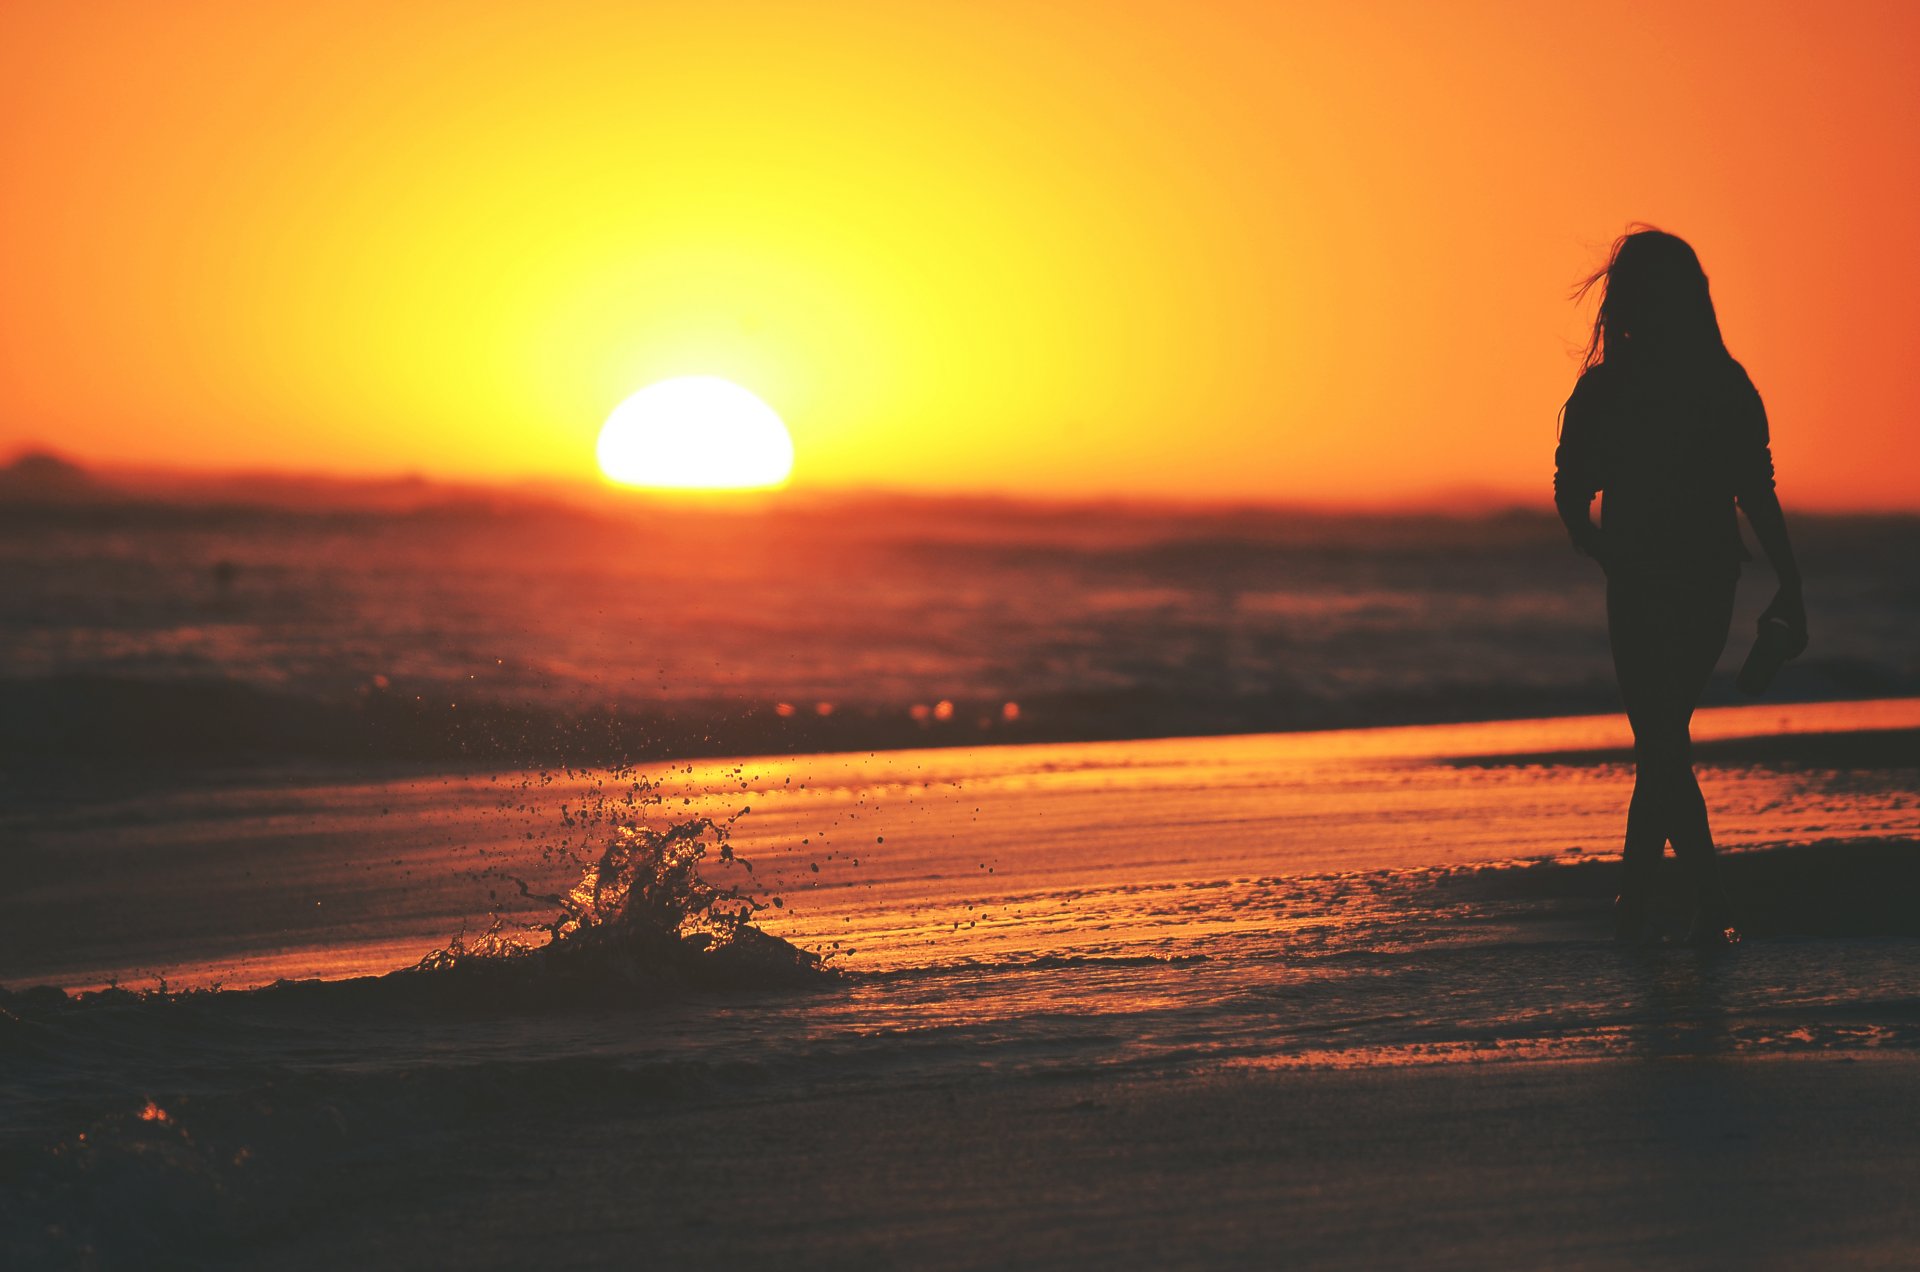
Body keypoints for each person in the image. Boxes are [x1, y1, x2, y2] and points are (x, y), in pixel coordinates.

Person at [1553, 228, 1807, 944]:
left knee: (1659, 738)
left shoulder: (1611, 388)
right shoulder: (1724, 383)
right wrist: (1791, 585)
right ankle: (1663, 903)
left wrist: (1601, 549)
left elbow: (1571, 491)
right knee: (1662, 739)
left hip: (1645, 581)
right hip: (1698, 580)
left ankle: (1670, 902)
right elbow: (1755, 492)